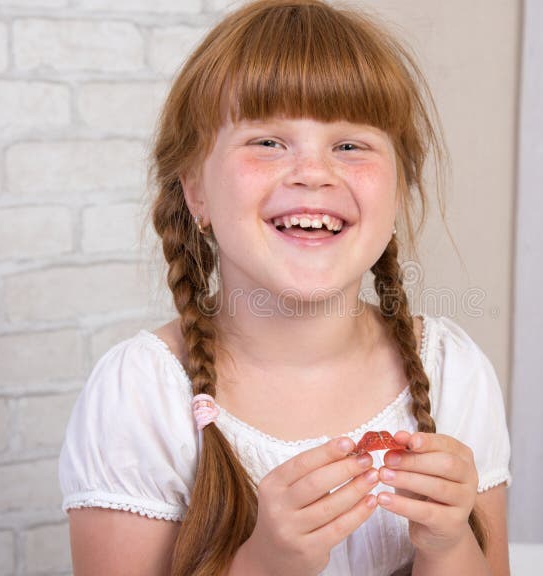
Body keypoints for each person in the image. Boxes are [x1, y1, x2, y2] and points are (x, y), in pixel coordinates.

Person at [58, 1, 512, 574]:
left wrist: (448, 545)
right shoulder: (141, 394)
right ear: (196, 190)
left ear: (398, 190)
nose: (314, 173)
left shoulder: (451, 371)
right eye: (268, 142)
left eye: (350, 145)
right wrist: (262, 563)